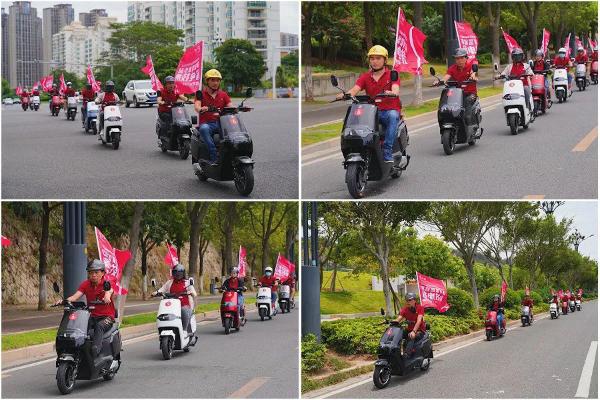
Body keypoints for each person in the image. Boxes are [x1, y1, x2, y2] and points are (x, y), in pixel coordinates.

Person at [336, 45, 401, 162]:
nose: (374, 61)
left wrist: (392, 92)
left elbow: (396, 89)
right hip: (371, 112)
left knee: (393, 116)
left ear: (385, 60)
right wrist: (346, 94)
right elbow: (355, 89)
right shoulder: (365, 77)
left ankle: (387, 149)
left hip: (387, 111)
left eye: (378, 58)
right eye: (372, 58)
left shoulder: (392, 75)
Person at [53, 260, 115, 357]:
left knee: (99, 326)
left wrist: (107, 296)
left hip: (107, 317)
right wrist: (63, 301)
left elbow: (110, 290)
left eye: (96, 272)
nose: (93, 275)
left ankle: (95, 350)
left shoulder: (106, 284)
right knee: (78, 327)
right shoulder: (86, 284)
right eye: (90, 272)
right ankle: (79, 349)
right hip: (91, 315)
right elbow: (75, 296)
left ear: (103, 273)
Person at [193, 69, 232, 163]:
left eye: (217, 80)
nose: (215, 83)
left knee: (233, 130)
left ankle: (231, 155)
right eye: (212, 80)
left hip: (221, 123)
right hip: (207, 123)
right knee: (204, 129)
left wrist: (240, 108)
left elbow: (230, 106)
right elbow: (197, 106)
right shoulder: (200, 94)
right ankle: (214, 155)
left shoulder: (223, 94)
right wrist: (201, 108)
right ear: (207, 81)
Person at [438, 48, 480, 127]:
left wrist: (473, 77)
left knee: (467, 103)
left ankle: (470, 124)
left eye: (461, 58)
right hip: (457, 94)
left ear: (466, 58)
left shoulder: (470, 66)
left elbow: (473, 73)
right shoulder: (452, 68)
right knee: (447, 103)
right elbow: (446, 77)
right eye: (457, 58)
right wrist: (440, 81)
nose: (459, 60)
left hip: (470, 94)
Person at [153, 264, 197, 335]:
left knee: (184, 310)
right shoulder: (169, 282)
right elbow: (162, 289)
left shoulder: (187, 282)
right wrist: (155, 293)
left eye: (179, 273)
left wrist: (191, 292)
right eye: (175, 272)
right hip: (172, 306)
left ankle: (185, 330)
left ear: (183, 273)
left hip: (185, 305)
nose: (177, 274)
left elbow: (194, 293)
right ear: (173, 273)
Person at [500, 48, 534, 112]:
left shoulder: (526, 66)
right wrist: (500, 76)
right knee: (505, 94)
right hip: (512, 87)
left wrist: (530, 74)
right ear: (513, 57)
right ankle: (507, 108)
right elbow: (504, 73)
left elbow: (531, 73)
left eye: (519, 56)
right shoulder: (509, 66)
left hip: (523, 86)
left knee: (527, 91)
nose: (517, 58)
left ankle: (528, 108)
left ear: (522, 56)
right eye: (516, 56)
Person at [395, 292, 426, 358]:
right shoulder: (405, 309)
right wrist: (392, 323)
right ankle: (396, 353)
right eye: (406, 300)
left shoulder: (420, 308)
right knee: (397, 335)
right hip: (409, 329)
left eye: (409, 300)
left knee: (411, 336)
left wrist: (414, 331)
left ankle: (407, 355)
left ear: (414, 300)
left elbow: (419, 321)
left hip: (419, 330)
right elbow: (399, 318)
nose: (407, 302)